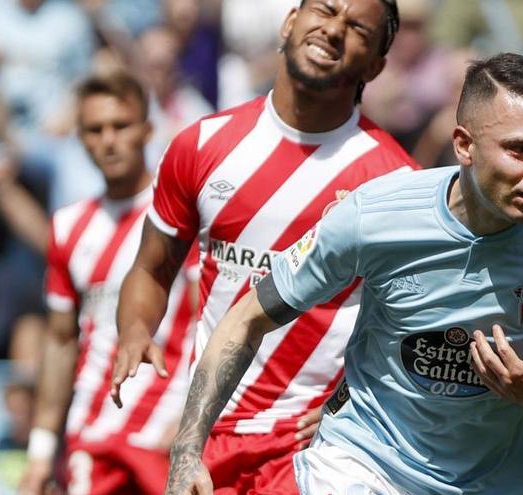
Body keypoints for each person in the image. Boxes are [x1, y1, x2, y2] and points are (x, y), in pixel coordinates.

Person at [167, 52, 523, 495]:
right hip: (361, 465)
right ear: (464, 145)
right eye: (521, 150)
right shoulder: (376, 215)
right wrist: (188, 453)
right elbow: (245, 318)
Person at [111, 0, 417, 493]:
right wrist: (133, 329)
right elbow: (151, 269)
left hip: (320, 451)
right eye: (325, 8)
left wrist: (350, 405)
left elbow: (414, 330)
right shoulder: (201, 145)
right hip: (206, 438)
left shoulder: (396, 185)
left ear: (377, 65)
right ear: (290, 21)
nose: (333, 28)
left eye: (357, 26)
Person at [18, 71, 198, 495]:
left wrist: (193, 420)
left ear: (147, 129)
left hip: (164, 433)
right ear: (80, 138)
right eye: (95, 130)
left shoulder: (184, 216)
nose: (109, 140)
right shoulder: (67, 227)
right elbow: (61, 341)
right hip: (92, 435)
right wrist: (41, 452)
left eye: (121, 125)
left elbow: (210, 317)